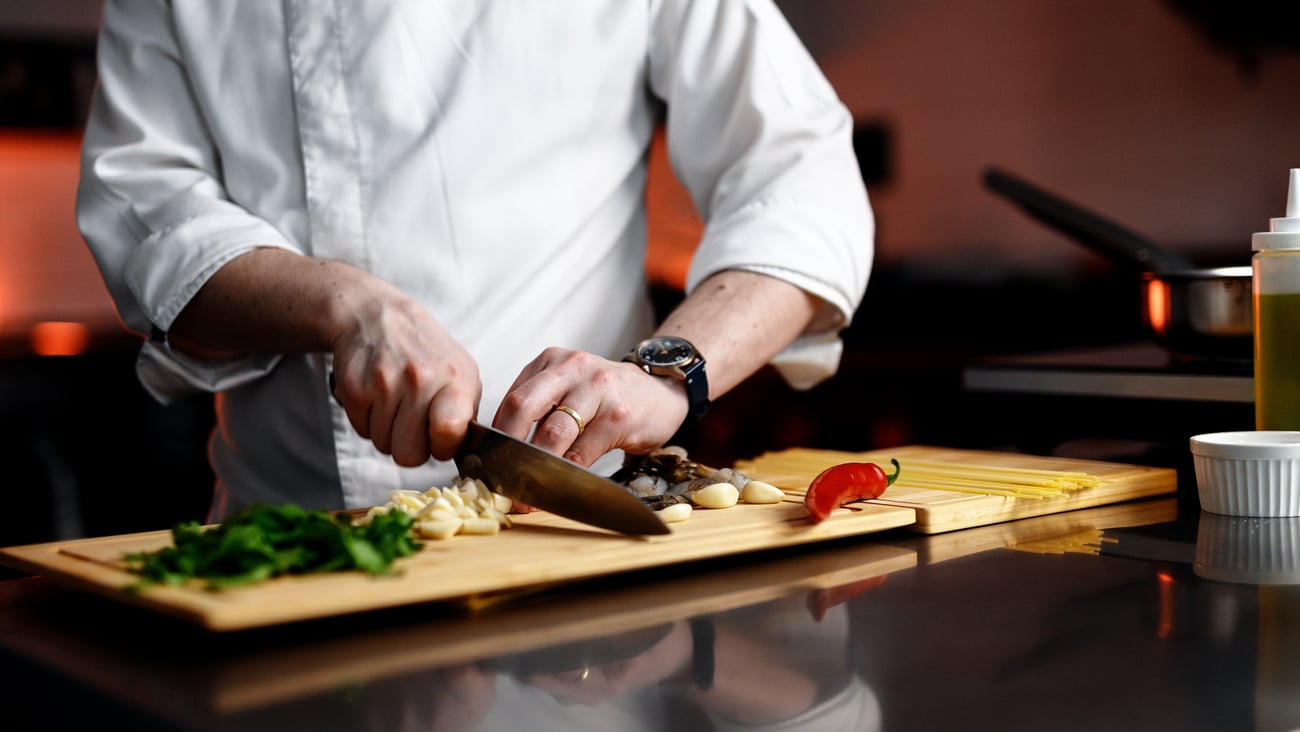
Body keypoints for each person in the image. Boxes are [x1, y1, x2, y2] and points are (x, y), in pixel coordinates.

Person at [76, 0, 874, 521]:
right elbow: (143, 202)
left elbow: (799, 176)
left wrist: (668, 373)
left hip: (575, 543)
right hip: (288, 535)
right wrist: (346, 306)